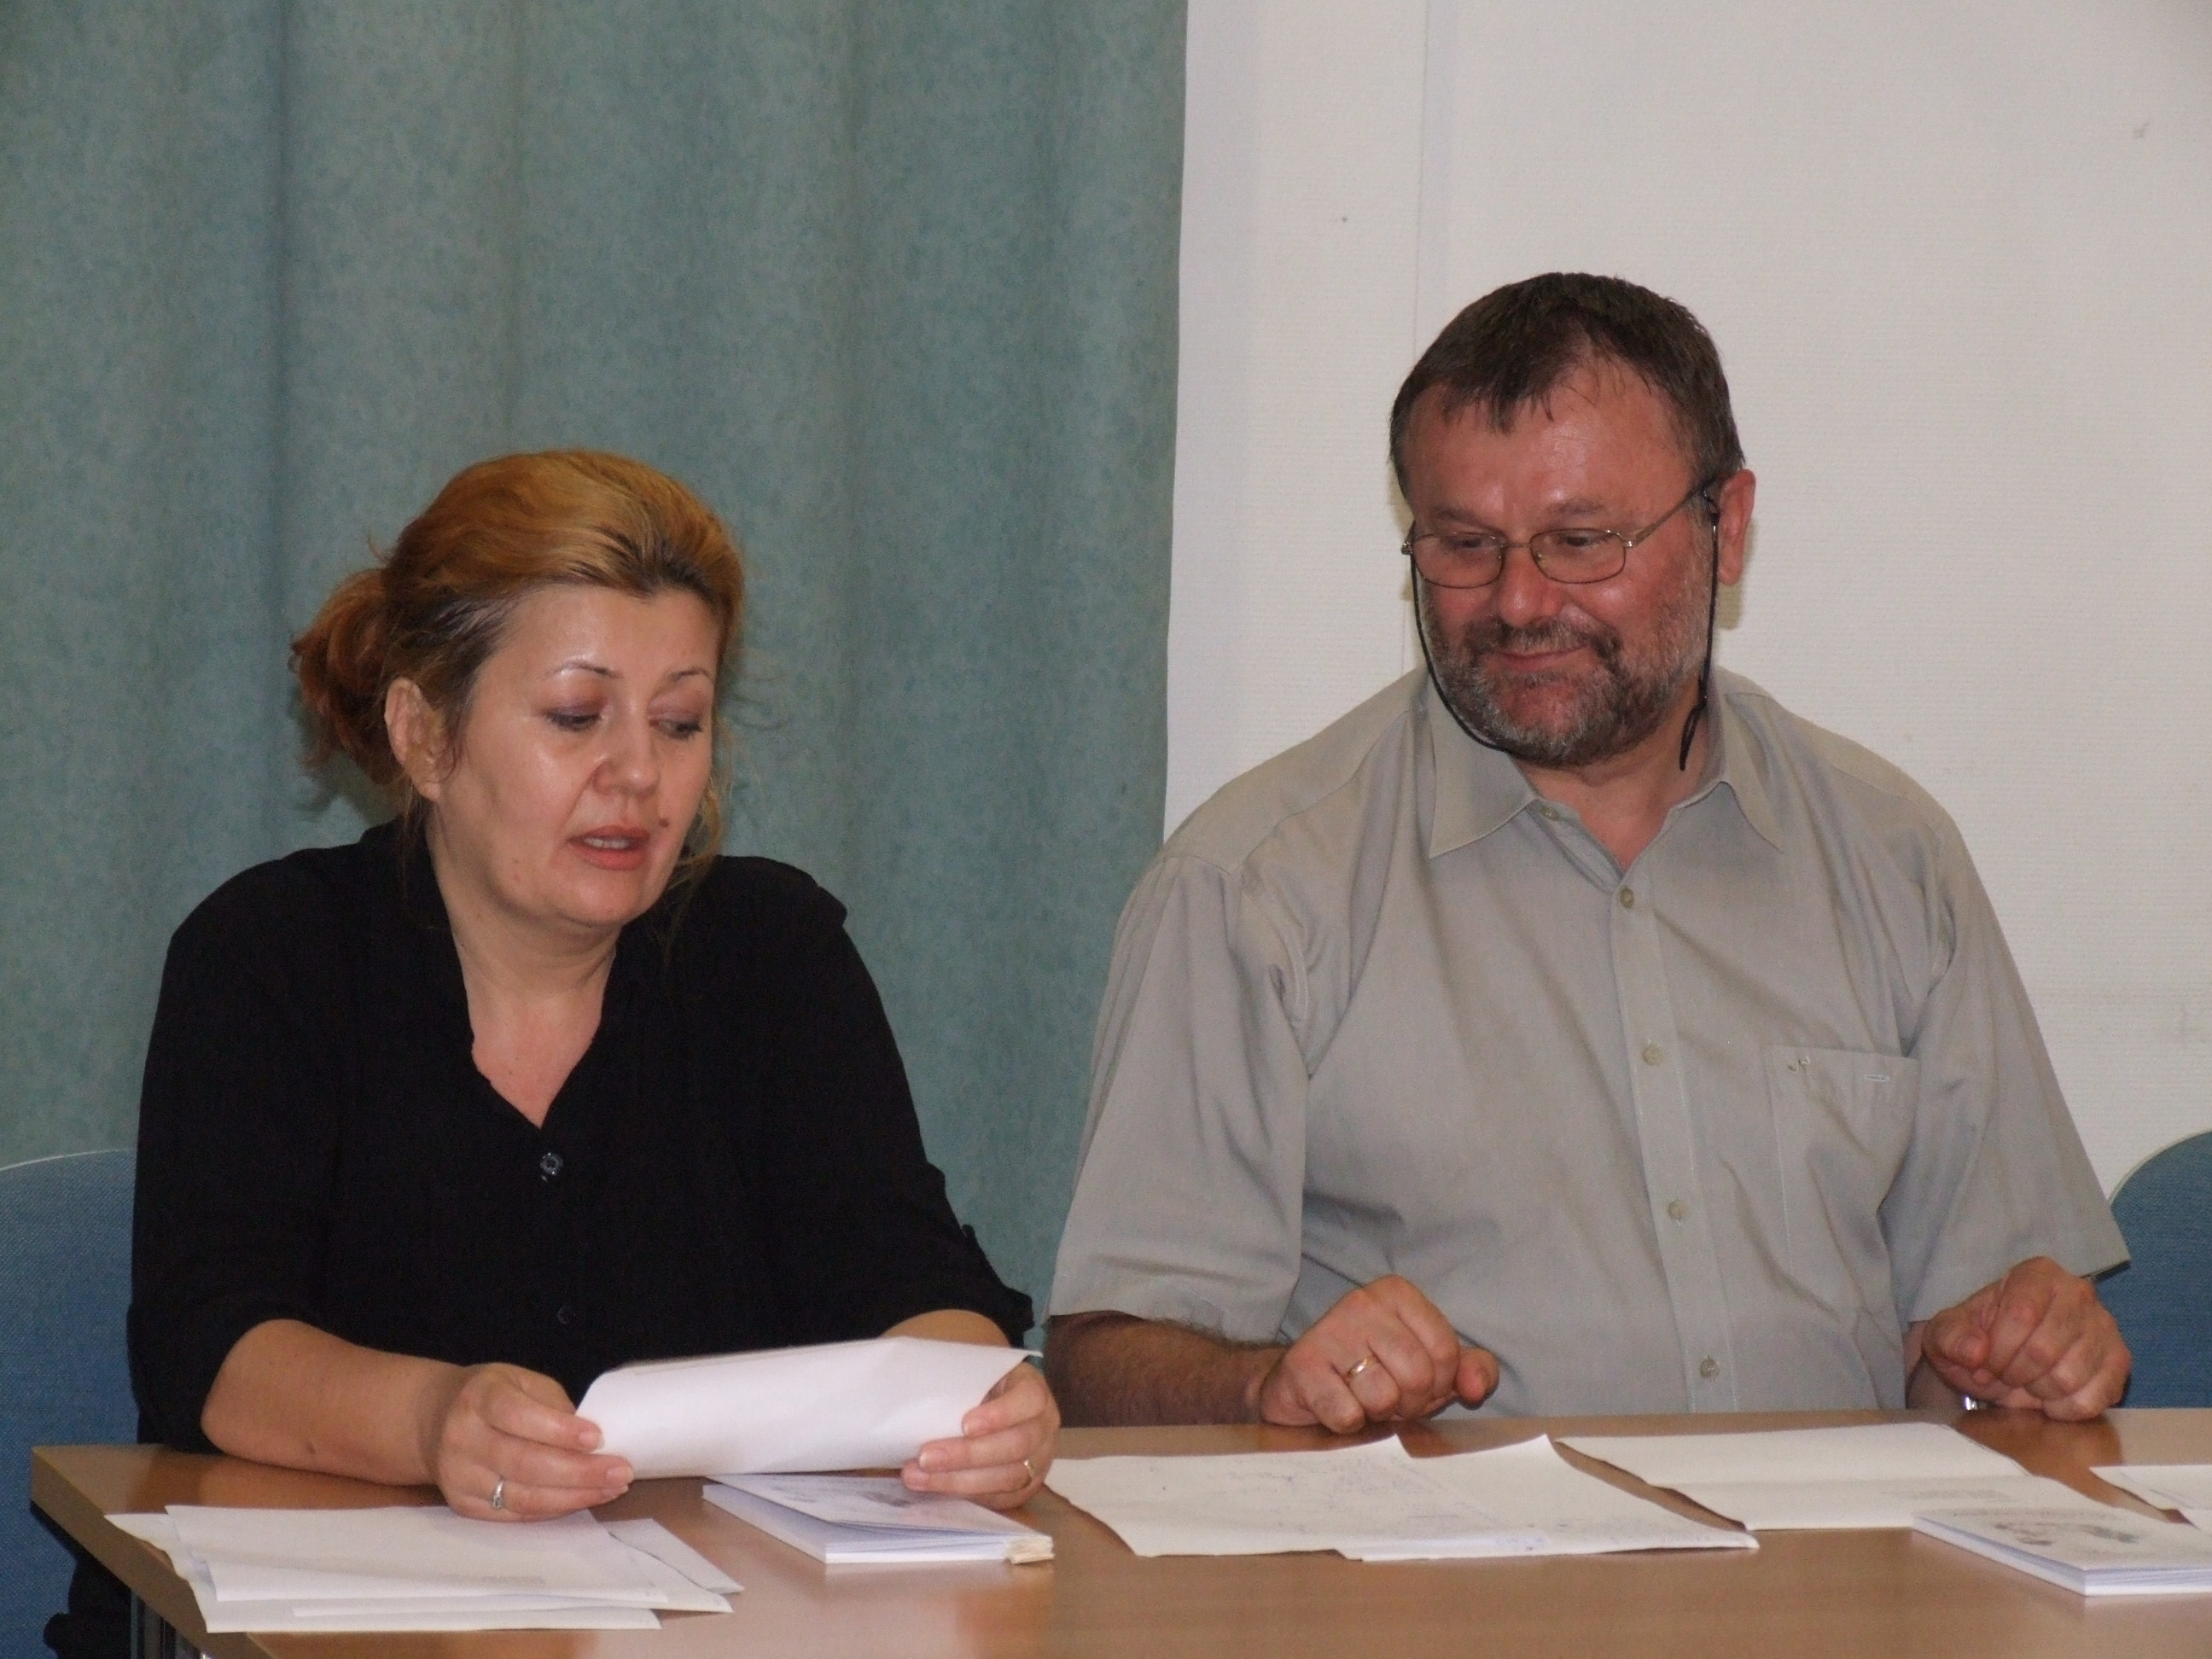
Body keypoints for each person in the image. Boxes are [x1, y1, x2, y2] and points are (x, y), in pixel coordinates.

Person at [1045, 274, 2130, 1435]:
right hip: (1452, 1553)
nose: (1518, 602)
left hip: (1826, 1551)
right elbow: (1101, 1364)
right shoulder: (1255, 889)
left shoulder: (1892, 857)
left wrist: (2014, 1360)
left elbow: (1964, 1365)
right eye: (1465, 544)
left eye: (1579, 542)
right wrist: (1264, 1388)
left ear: (1728, 527)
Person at [47, 452, 1057, 1648]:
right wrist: (435, 1420)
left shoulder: (773, 955)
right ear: (425, 737)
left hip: (699, 1627)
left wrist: (984, 1401)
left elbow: (909, 1279)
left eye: (679, 722)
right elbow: (214, 1351)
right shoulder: (271, 955)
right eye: (578, 717)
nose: (639, 775)